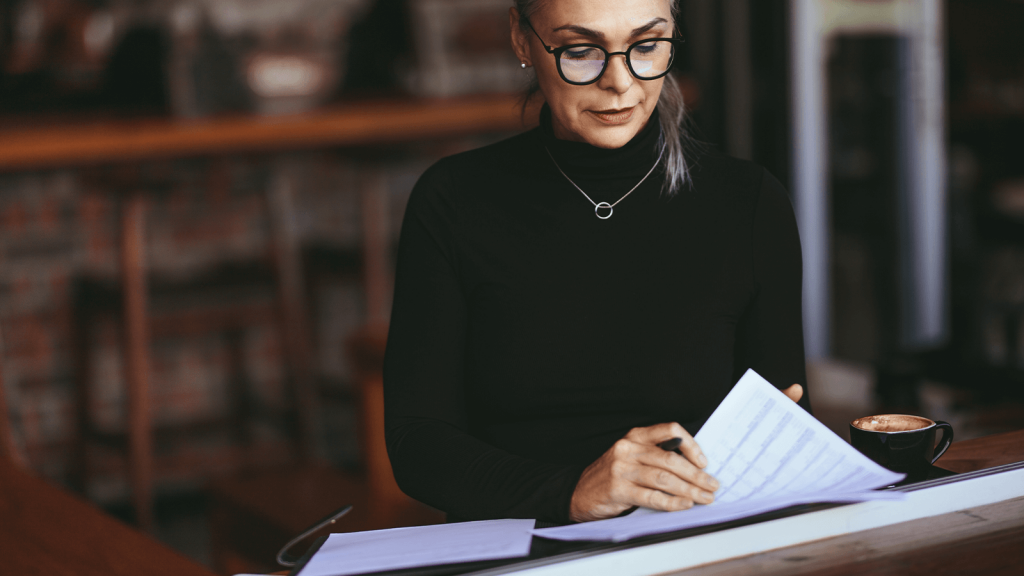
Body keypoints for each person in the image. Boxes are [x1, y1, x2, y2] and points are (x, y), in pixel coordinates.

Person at [383, 0, 810, 525]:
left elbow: (785, 417)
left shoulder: (748, 202)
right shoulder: (453, 201)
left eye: (647, 46)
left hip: (695, 542)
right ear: (522, 38)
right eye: (581, 51)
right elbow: (417, 442)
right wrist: (571, 492)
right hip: (522, 550)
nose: (619, 82)